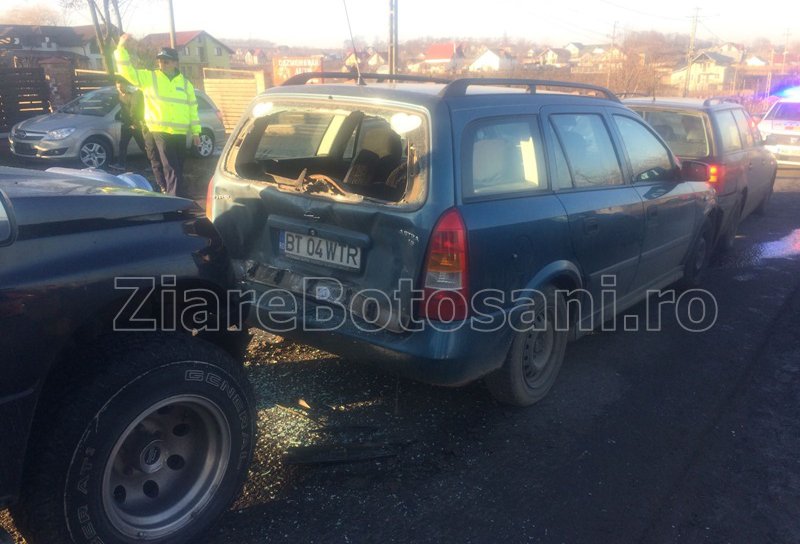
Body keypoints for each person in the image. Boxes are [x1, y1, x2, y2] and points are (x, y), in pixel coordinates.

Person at [114, 33, 201, 197]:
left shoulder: (185, 83)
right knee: (171, 167)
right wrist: (120, 48)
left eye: (166, 60)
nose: (162, 63)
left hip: (180, 132)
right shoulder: (150, 77)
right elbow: (127, 71)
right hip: (160, 129)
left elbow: (192, 108)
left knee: (179, 167)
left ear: (175, 62)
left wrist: (196, 131)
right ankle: (175, 198)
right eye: (160, 60)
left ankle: (172, 194)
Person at [109, 75, 148, 173]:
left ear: (126, 86)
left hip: (135, 125)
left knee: (143, 145)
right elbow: (122, 110)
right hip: (125, 124)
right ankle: (121, 164)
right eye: (118, 87)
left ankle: (152, 164)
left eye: (121, 87)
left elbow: (135, 110)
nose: (120, 89)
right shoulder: (119, 96)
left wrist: (135, 123)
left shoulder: (133, 95)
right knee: (123, 144)